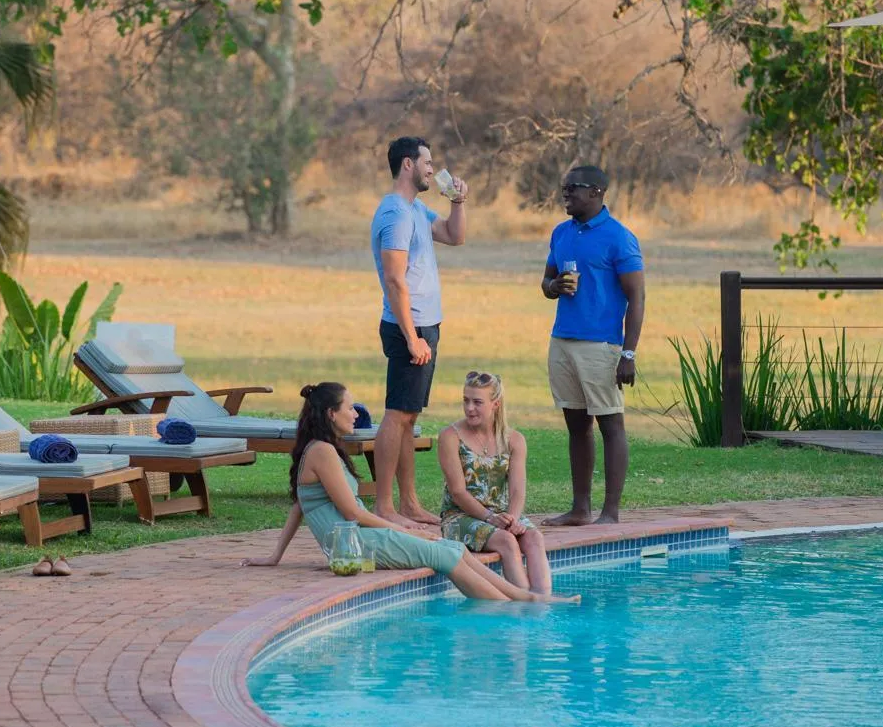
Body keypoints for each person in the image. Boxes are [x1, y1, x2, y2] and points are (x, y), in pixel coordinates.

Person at [242, 382, 576, 604]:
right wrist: (406, 529)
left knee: (453, 548)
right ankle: (518, 604)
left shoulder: (322, 450)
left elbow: (300, 505)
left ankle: (524, 598)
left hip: (353, 542)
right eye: (349, 408)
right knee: (444, 554)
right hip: (356, 544)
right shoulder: (323, 453)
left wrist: (275, 556)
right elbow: (353, 514)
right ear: (331, 414)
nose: (356, 413)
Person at [370, 136, 467, 528]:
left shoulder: (416, 208)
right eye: (427, 162)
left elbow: (454, 236)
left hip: (426, 324)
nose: (432, 169)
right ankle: (384, 507)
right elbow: (394, 280)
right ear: (408, 165)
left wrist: (458, 202)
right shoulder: (394, 213)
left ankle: (408, 503)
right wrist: (412, 337)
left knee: (408, 416)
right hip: (408, 327)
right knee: (396, 415)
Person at [540, 166, 645, 526]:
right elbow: (547, 279)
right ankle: (580, 509)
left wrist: (628, 353)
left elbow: (637, 296)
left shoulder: (620, 238)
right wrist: (553, 288)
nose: (565, 194)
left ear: (598, 191)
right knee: (576, 426)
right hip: (562, 341)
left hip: (601, 346)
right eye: (564, 187)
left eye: (573, 189)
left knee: (610, 425)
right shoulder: (561, 232)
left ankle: (610, 513)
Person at [437, 371, 551, 595]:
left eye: (477, 402)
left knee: (534, 537)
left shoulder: (514, 440)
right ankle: (524, 603)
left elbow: (518, 491)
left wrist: (514, 519)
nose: (469, 408)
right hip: (460, 516)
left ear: (495, 404)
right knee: (507, 542)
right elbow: (458, 492)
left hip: (501, 516)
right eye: (466, 400)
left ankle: (543, 605)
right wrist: (491, 518)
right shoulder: (450, 436)